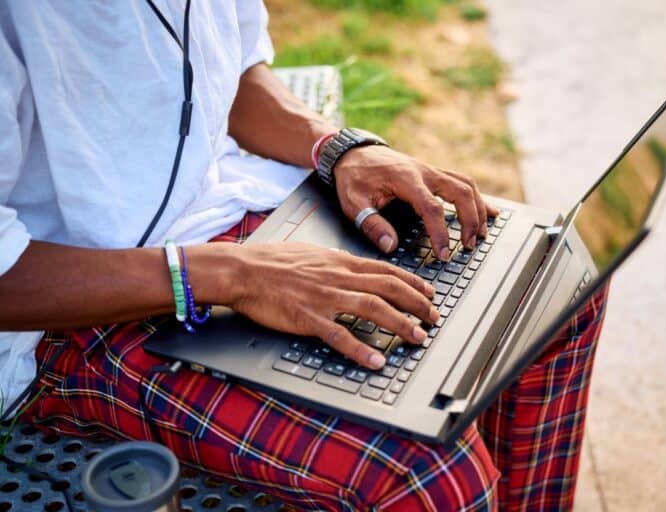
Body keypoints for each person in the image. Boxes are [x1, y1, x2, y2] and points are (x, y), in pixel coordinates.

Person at [0, 2, 607, 510]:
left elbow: (233, 76)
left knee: (553, 283)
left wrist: (338, 148)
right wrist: (233, 275)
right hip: (84, 311)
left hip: (247, 205)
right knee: (432, 477)